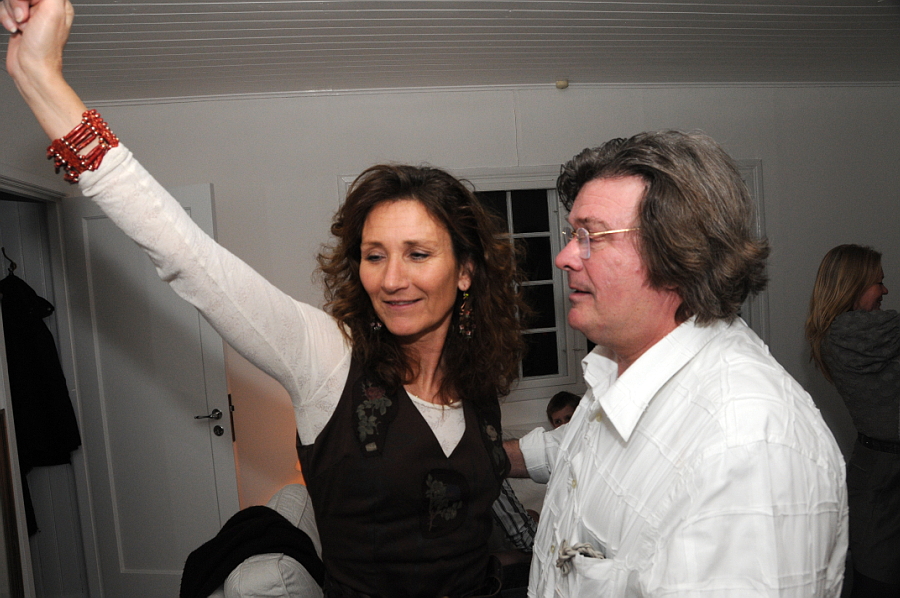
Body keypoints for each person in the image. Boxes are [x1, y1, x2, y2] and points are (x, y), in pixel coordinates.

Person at [0, 1, 531, 596]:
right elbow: (188, 257)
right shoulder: (327, 356)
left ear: (466, 272)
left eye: (418, 253)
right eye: (374, 255)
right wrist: (40, 77)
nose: (391, 279)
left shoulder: (476, 380)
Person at [504, 131, 848, 596]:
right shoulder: (622, 367)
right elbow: (588, 452)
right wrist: (485, 457)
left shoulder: (747, 448)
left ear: (678, 252)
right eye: (572, 235)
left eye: (591, 237)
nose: (565, 257)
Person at [805, 244, 900, 598]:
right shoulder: (855, 334)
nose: (885, 290)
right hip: (881, 478)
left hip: (872, 473)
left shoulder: (832, 335)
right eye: (878, 282)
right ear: (854, 286)